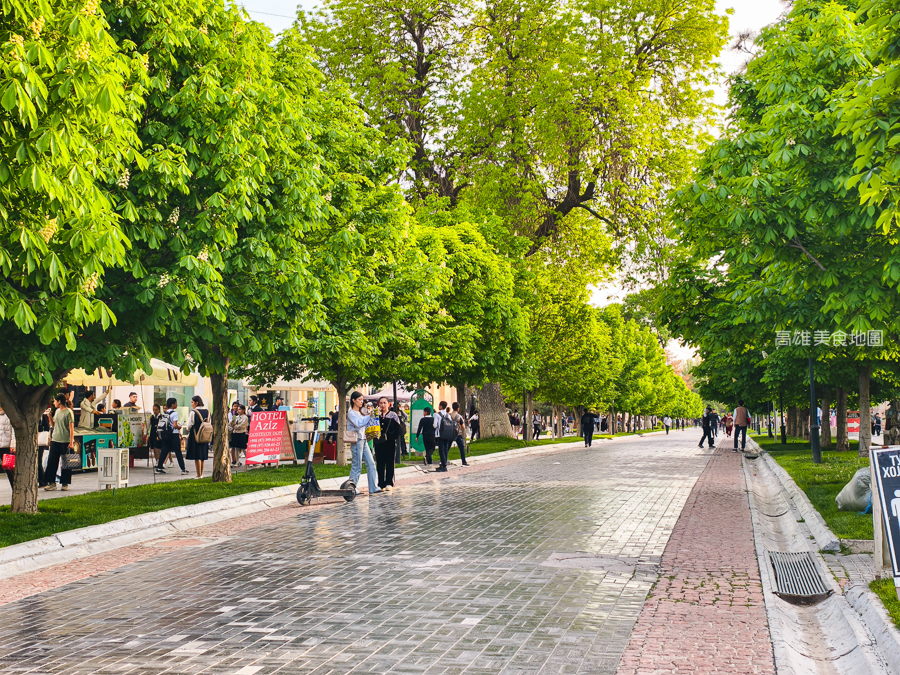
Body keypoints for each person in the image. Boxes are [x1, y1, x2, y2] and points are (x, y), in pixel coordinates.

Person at [347, 391, 381, 494]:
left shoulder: (361, 412)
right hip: (357, 440)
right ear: (353, 400)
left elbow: (365, 424)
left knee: (370, 463)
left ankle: (373, 487)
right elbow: (358, 423)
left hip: (364, 439)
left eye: (362, 400)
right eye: (359, 400)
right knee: (357, 465)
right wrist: (368, 416)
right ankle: (351, 488)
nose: (361, 402)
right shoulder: (351, 413)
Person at [44, 393, 75, 491]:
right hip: (55, 439)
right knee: (52, 461)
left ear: (59, 401)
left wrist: (71, 441)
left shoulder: (68, 412)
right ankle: (51, 482)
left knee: (65, 462)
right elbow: (53, 425)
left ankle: (65, 483)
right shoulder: (57, 411)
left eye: (55, 401)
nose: (54, 403)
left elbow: (71, 427)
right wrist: (49, 416)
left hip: (65, 440)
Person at [373, 396, 401, 490]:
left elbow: (398, 429)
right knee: (380, 463)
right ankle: (381, 483)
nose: (383, 405)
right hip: (378, 442)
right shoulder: (376, 415)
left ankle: (389, 482)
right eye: (381, 403)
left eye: (384, 403)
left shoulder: (393, 415)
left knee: (389, 462)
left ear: (389, 404)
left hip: (390, 442)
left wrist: (392, 437)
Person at [155, 398, 188, 475]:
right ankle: (183, 469)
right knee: (178, 452)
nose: (176, 405)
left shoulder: (165, 413)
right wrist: (179, 427)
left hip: (166, 434)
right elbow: (174, 425)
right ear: (173, 405)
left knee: (164, 450)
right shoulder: (175, 413)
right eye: (176, 403)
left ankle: (159, 467)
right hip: (174, 434)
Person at [185, 395, 210, 478]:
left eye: (192, 402)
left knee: (197, 455)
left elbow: (189, 425)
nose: (191, 404)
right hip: (205, 435)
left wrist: (188, 430)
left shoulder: (193, 412)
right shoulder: (208, 411)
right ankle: (201, 474)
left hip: (196, 434)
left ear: (196, 403)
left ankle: (198, 474)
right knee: (202, 455)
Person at [434, 401, 454, 472]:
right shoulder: (448, 415)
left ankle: (443, 465)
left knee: (441, 449)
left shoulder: (437, 415)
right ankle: (444, 463)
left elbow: (435, 425)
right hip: (447, 433)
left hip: (440, 434)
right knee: (445, 449)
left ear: (441, 406)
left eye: (439, 405)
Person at [0, 404, 15, 488]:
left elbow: (13, 431)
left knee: (9, 469)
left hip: (6, 445)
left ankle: (15, 488)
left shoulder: (9, 415)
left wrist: (13, 444)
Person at [449, 402, 469, 466]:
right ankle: (464, 461)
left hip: (450, 434)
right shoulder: (459, 416)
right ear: (458, 408)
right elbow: (463, 426)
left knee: (447, 448)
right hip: (458, 433)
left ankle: (443, 461)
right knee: (461, 448)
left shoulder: (449, 415)